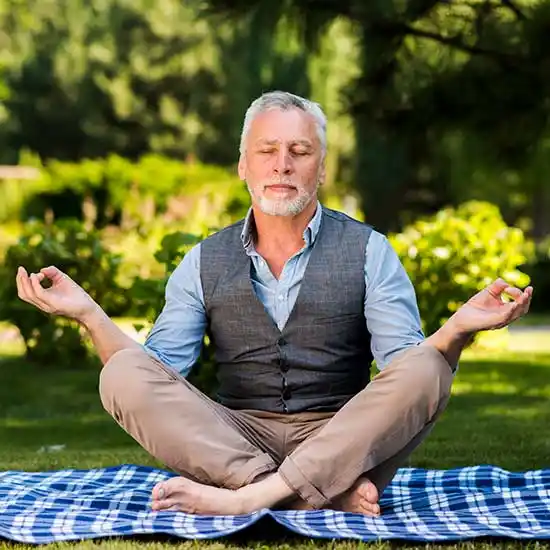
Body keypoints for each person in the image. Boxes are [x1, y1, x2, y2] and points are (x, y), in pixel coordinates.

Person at [15, 91, 532, 517]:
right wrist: (88, 313)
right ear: (243, 165)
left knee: (430, 369)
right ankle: (320, 494)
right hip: (237, 436)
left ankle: (252, 499)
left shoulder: (370, 252)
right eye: (266, 150)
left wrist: (458, 331)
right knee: (121, 375)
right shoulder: (202, 261)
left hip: (342, 432)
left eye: (299, 151)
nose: (282, 165)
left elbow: (407, 374)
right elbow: (157, 375)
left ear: (321, 168)